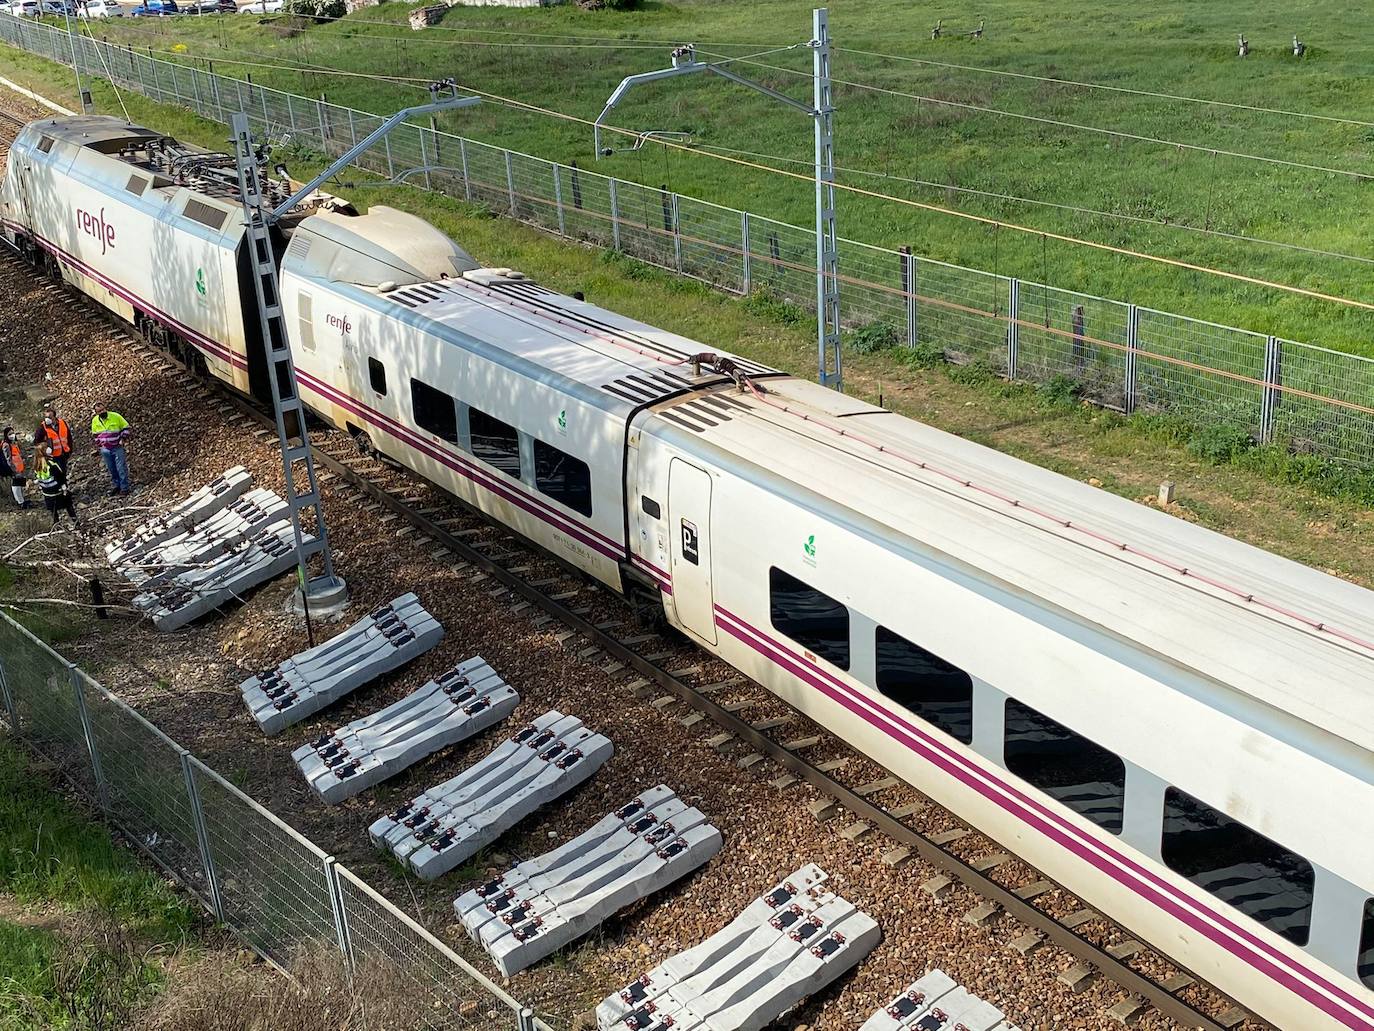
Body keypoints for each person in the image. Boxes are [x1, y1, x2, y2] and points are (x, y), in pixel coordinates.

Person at [33, 443, 79, 528]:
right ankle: (75, 521)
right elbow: (60, 477)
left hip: (47, 494)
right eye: (46, 448)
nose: (49, 449)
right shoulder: (51, 464)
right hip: (58, 492)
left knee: (53, 512)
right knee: (69, 506)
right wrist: (64, 488)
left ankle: (57, 526)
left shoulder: (37, 466)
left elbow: (39, 479)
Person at [90, 407, 131, 496]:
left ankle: (124, 488)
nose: (103, 411)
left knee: (121, 467)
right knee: (111, 468)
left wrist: (123, 438)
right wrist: (99, 444)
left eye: (103, 409)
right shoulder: (95, 421)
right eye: (100, 411)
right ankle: (117, 485)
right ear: (96, 413)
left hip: (117, 446)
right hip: (105, 448)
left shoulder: (115, 416)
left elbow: (126, 428)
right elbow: (95, 434)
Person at [34, 406, 73, 475]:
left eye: (49, 417)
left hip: (64, 453)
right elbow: (37, 441)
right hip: (52, 455)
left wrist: (70, 449)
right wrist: (45, 449)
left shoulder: (62, 423)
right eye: (46, 417)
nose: (47, 419)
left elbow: (68, 436)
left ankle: (64, 484)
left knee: (63, 471)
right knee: (56, 473)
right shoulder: (42, 427)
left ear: (54, 417)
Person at [1, 427, 29, 508]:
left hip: (19, 467)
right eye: (10, 434)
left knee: (20, 484)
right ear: (6, 435)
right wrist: (14, 470)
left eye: (13, 433)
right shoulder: (6, 445)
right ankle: (20, 502)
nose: (12, 435)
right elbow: (8, 459)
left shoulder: (13, 443)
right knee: (16, 485)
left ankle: (22, 500)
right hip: (14, 469)